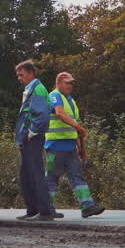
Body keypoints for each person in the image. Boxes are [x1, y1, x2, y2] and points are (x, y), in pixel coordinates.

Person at [45, 72, 105, 219]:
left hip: (70, 146)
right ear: (58, 82)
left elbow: (74, 129)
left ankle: (87, 206)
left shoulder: (70, 100)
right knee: (52, 178)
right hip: (55, 145)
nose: (70, 86)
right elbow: (59, 113)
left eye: (71, 83)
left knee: (77, 176)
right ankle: (47, 208)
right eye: (67, 83)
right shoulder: (54, 96)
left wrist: (81, 149)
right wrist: (78, 127)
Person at [14, 60, 56, 222]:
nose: (19, 78)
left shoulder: (37, 89)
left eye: (21, 74)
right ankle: (32, 210)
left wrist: (32, 132)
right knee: (26, 175)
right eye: (18, 75)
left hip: (33, 138)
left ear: (31, 73)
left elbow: (41, 115)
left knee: (36, 173)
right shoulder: (29, 90)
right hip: (26, 139)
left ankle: (45, 211)